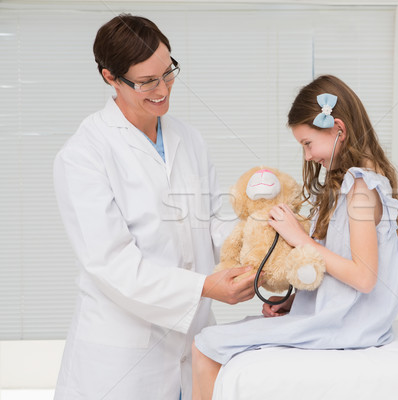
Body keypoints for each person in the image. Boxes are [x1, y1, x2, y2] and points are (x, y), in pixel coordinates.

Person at [53, 14, 256, 400]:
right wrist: (204, 288)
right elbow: (112, 264)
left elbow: (213, 219)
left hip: (193, 348)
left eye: (168, 72)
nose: (163, 88)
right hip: (122, 364)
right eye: (147, 81)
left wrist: (260, 253)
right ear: (110, 77)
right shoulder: (83, 155)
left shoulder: (188, 138)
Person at [192, 74, 398, 400]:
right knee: (222, 337)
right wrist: (295, 301)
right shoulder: (354, 183)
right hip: (347, 317)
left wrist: (298, 238)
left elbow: (364, 278)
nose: (307, 156)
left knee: (206, 345)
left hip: (350, 325)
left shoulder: (360, 187)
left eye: (307, 143)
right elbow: (342, 266)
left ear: (338, 130)